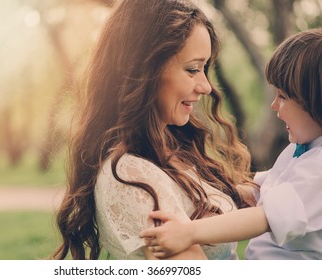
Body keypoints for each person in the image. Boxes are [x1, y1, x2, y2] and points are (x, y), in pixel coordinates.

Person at [51, 0, 257, 260]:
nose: (206, 86)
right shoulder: (131, 175)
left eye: (204, 69)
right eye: (192, 69)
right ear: (145, 69)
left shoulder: (171, 151)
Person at [139, 28, 322, 260]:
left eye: (283, 97)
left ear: (316, 101)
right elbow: (257, 191)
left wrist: (189, 232)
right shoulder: (303, 151)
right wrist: (200, 190)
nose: (274, 105)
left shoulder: (318, 169)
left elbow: (263, 217)